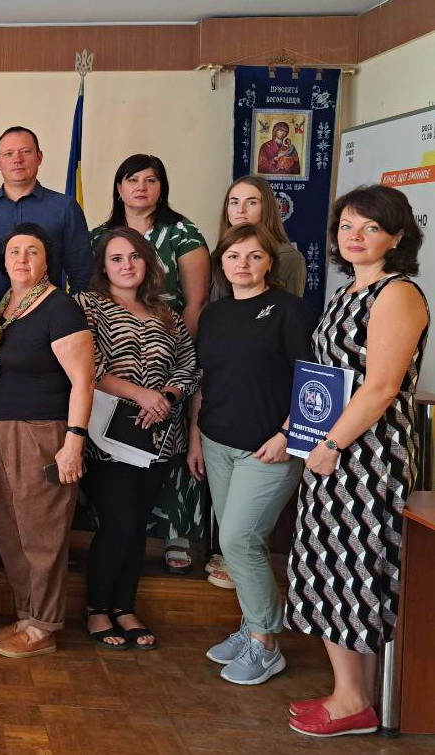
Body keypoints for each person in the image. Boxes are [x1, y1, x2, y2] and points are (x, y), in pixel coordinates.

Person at [286, 185, 428, 737]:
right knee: (330, 568)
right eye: (347, 225)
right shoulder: (348, 290)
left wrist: (331, 445)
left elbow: (382, 386)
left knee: (358, 569)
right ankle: (354, 697)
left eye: (371, 227)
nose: (355, 236)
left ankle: (352, 703)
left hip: (368, 455)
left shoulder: (397, 293)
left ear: (397, 237)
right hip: (334, 447)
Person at [186, 223, 315, 684]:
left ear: (270, 263)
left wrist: (287, 435)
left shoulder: (290, 311)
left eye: (254, 256)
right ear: (221, 263)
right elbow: (206, 381)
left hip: (269, 450)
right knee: (238, 544)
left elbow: (313, 382)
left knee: (239, 540)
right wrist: (196, 438)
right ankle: (252, 625)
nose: (243, 264)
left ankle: (265, 642)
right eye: (234, 256)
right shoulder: (215, 315)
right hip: (217, 443)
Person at [75, 227, 197, 653]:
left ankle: (124, 607)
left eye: (134, 257)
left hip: (159, 435)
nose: (126, 265)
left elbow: (188, 364)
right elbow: (84, 366)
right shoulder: (88, 305)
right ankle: (97, 609)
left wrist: (166, 397)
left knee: (138, 525)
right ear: (103, 266)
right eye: (116, 258)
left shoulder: (167, 312)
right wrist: (139, 394)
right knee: (118, 524)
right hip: (107, 436)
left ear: (147, 262)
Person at [0, 222, 94, 659]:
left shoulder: (60, 308)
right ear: (3, 260)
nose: (22, 259)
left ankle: (43, 626)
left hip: (42, 432)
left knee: (41, 532)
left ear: (47, 262)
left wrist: (74, 441)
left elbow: (83, 381)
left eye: (32, 251)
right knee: (11, 529)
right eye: (14, 251)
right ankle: (26, 616)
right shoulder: (4, 304)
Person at [91, 153, 210, 574]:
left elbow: (196, 301)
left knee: (168, 450)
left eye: (151, 180)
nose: (141, 187)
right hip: (114, 365)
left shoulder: (182, 232)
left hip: (169, 349)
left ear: (162, 187)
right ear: (119, 187)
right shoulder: (99, 235)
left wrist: (171, 354)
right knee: (116, 488)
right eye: (132, 179)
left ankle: (175, 533)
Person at [0, 126, 93, 311]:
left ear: (39, 157)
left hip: (48, 319)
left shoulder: (65, 208)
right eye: (8, 154)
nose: (17, 159)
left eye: (25, 151)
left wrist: (71, 316)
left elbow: (82, 274)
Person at [215, 176, 306, 300]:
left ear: (266, 208)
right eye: (234, 202)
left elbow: (291, 309)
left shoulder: (288, 257)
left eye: (252, 202)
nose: (240, 210)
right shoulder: (217, 253)